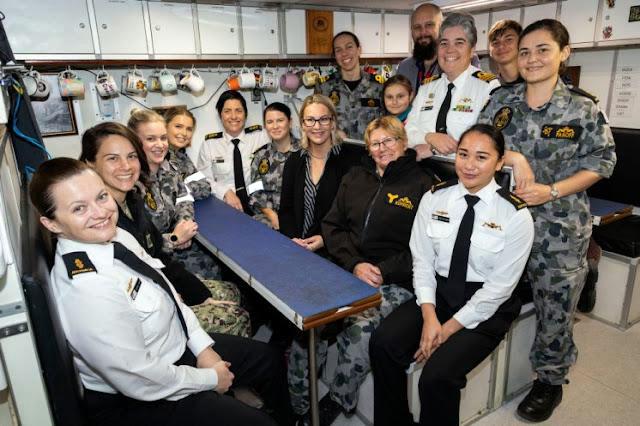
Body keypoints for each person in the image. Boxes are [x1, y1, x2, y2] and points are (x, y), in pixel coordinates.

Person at [29, 158, 294, 426]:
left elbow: (166, 292)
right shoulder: (86, 288)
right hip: (138, 397)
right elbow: (139, 377)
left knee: (268, 360)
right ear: (52, 224)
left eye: (101, 196)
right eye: (79, 208)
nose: (100, 212)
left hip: (173, 348)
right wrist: (211, 379)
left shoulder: (117, 236)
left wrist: (202, 348)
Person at [478, 19, 616, 422]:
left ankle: (550, 380)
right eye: (525, 51)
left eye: (543, 50)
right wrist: (514, 157)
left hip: (558, 228)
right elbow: (479, 144)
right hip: (502, 223)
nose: (532, 59)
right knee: (490, 294)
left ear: (564, 53)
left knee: (554, 308)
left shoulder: (582, 107)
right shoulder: (501, 102)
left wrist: (552, 190)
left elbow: (602, 163)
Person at [369, 124, 534, 426]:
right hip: (438, 294)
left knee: (436, 377)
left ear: (499, 163)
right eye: (463, 154)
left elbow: (499, 288)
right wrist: (429, 316)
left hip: (487, 306)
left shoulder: (515, 215)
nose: (469, 165)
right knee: (383, 342)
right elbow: (422, 261)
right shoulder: (435, 198)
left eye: (481, 157)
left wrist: (444, 331)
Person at [287, 116, 435, 424]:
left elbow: (426, 248)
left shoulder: (424, 185)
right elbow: (332, 225)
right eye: (375, 143)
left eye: (388, 141)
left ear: (403, 143)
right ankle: (298, 406)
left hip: (393, 280)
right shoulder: (355, 176)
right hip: (346, 267)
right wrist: (354, 263)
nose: (382, 148)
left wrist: (380, 271)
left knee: (359, 332)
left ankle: (338, 399)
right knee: (308, 325)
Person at [79, 121, 251, 337]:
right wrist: (176, 298)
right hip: (144, 316)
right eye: (113, 158)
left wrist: (200, 295)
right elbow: (136, 281)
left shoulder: (132, 201)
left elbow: (157, 254)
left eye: (131, 156)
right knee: (236, 317)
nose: (126, 166)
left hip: (158, 282)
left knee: (231, 291)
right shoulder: (101, 221)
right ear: (91, 164)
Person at [127, 109, 223, 283]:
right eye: (151, 139)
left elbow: (184, 199)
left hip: (173, 246)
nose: (160, 145)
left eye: (163, 138)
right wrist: (174, 239)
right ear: (135, 142)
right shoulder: (130, 184)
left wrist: (183, 224)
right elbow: (137, 246)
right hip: (152, 264)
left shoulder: (169, 171)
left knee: (215, 267)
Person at [406, 12, 501, 161]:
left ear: (472, 50)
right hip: (422, 169)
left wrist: (433, 149)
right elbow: (407, 132)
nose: (450, 50)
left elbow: (488, 143)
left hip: (465, 171)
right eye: (444, 43)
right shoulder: (427, 87)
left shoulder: (488, 87)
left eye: (459, 43)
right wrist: (429, 137)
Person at [279, 94, 362, 257]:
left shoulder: (351, 162)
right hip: (296, 249)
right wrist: (293, 239)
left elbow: (355, 215)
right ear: (303, 124)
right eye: (310, 120)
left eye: (323, 119)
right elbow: (286, 210)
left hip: (336, 253)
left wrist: (325, 239)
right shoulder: (294, 161)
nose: (317, 126)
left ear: (333, 122)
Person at [197, 90, 269, 214]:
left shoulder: (261, 137)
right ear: (220, 115)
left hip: (260, 205)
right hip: (225, 207)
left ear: (245, 114)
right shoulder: (209, 145)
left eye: (238, 111)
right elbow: (203, 180)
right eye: (227, 111)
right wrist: (225, 191)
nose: (234, 116)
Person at [315, 31, 383, 140]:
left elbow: (389, 123)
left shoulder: (379, 86)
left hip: (371, 149)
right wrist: (333, 131)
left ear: (359, 50)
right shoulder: (323, 87)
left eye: (349, 47)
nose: (344, 53)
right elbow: (316, 122)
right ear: (335, 55)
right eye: (338, 50)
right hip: (336, 149)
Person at [398, 3, 481, 91]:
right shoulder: (404, 67)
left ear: (442, 28)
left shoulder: (462, 60)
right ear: (411, 31)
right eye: (417, 27)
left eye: (429, 25)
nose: (423, 32)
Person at [248, 102, 301, 229]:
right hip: (267, 219)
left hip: (298, 219)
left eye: (280, 120)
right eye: (270, 122)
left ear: (290, 122)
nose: (275, 126)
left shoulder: (305, 152)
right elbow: (254, 192)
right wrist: (270, 214)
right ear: (265, 126)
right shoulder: (260, 155)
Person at [164, 106, 212, 200]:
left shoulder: (182, 157)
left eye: (189, 129)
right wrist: (187, 186)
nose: (184, 133)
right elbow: (167, 194)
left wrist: (182, 187)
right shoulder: (157, 156)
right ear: (165, 127)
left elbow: (206, 187)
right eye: (178, 126)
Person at [488, 19, 523, 85]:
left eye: (508, 39)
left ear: (522, 43)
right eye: (495, 43)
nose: (501, 46)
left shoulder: (535, 82)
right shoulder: (490, 87)